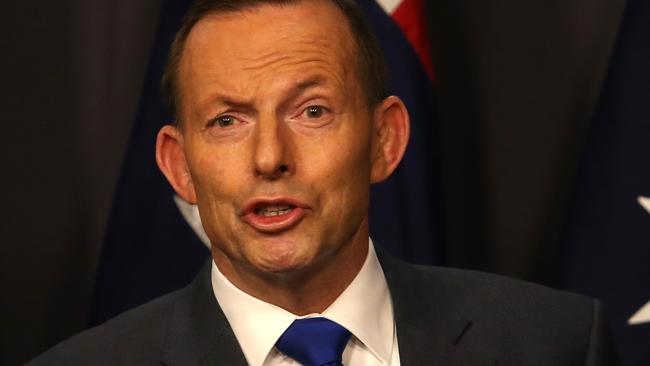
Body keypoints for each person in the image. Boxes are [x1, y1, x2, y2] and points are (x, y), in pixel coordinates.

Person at [28, 0, 618, 365]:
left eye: (311, 111)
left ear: (385, 139)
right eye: (227, 120)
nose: (269, 158)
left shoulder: (556, 344)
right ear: (179, 166)